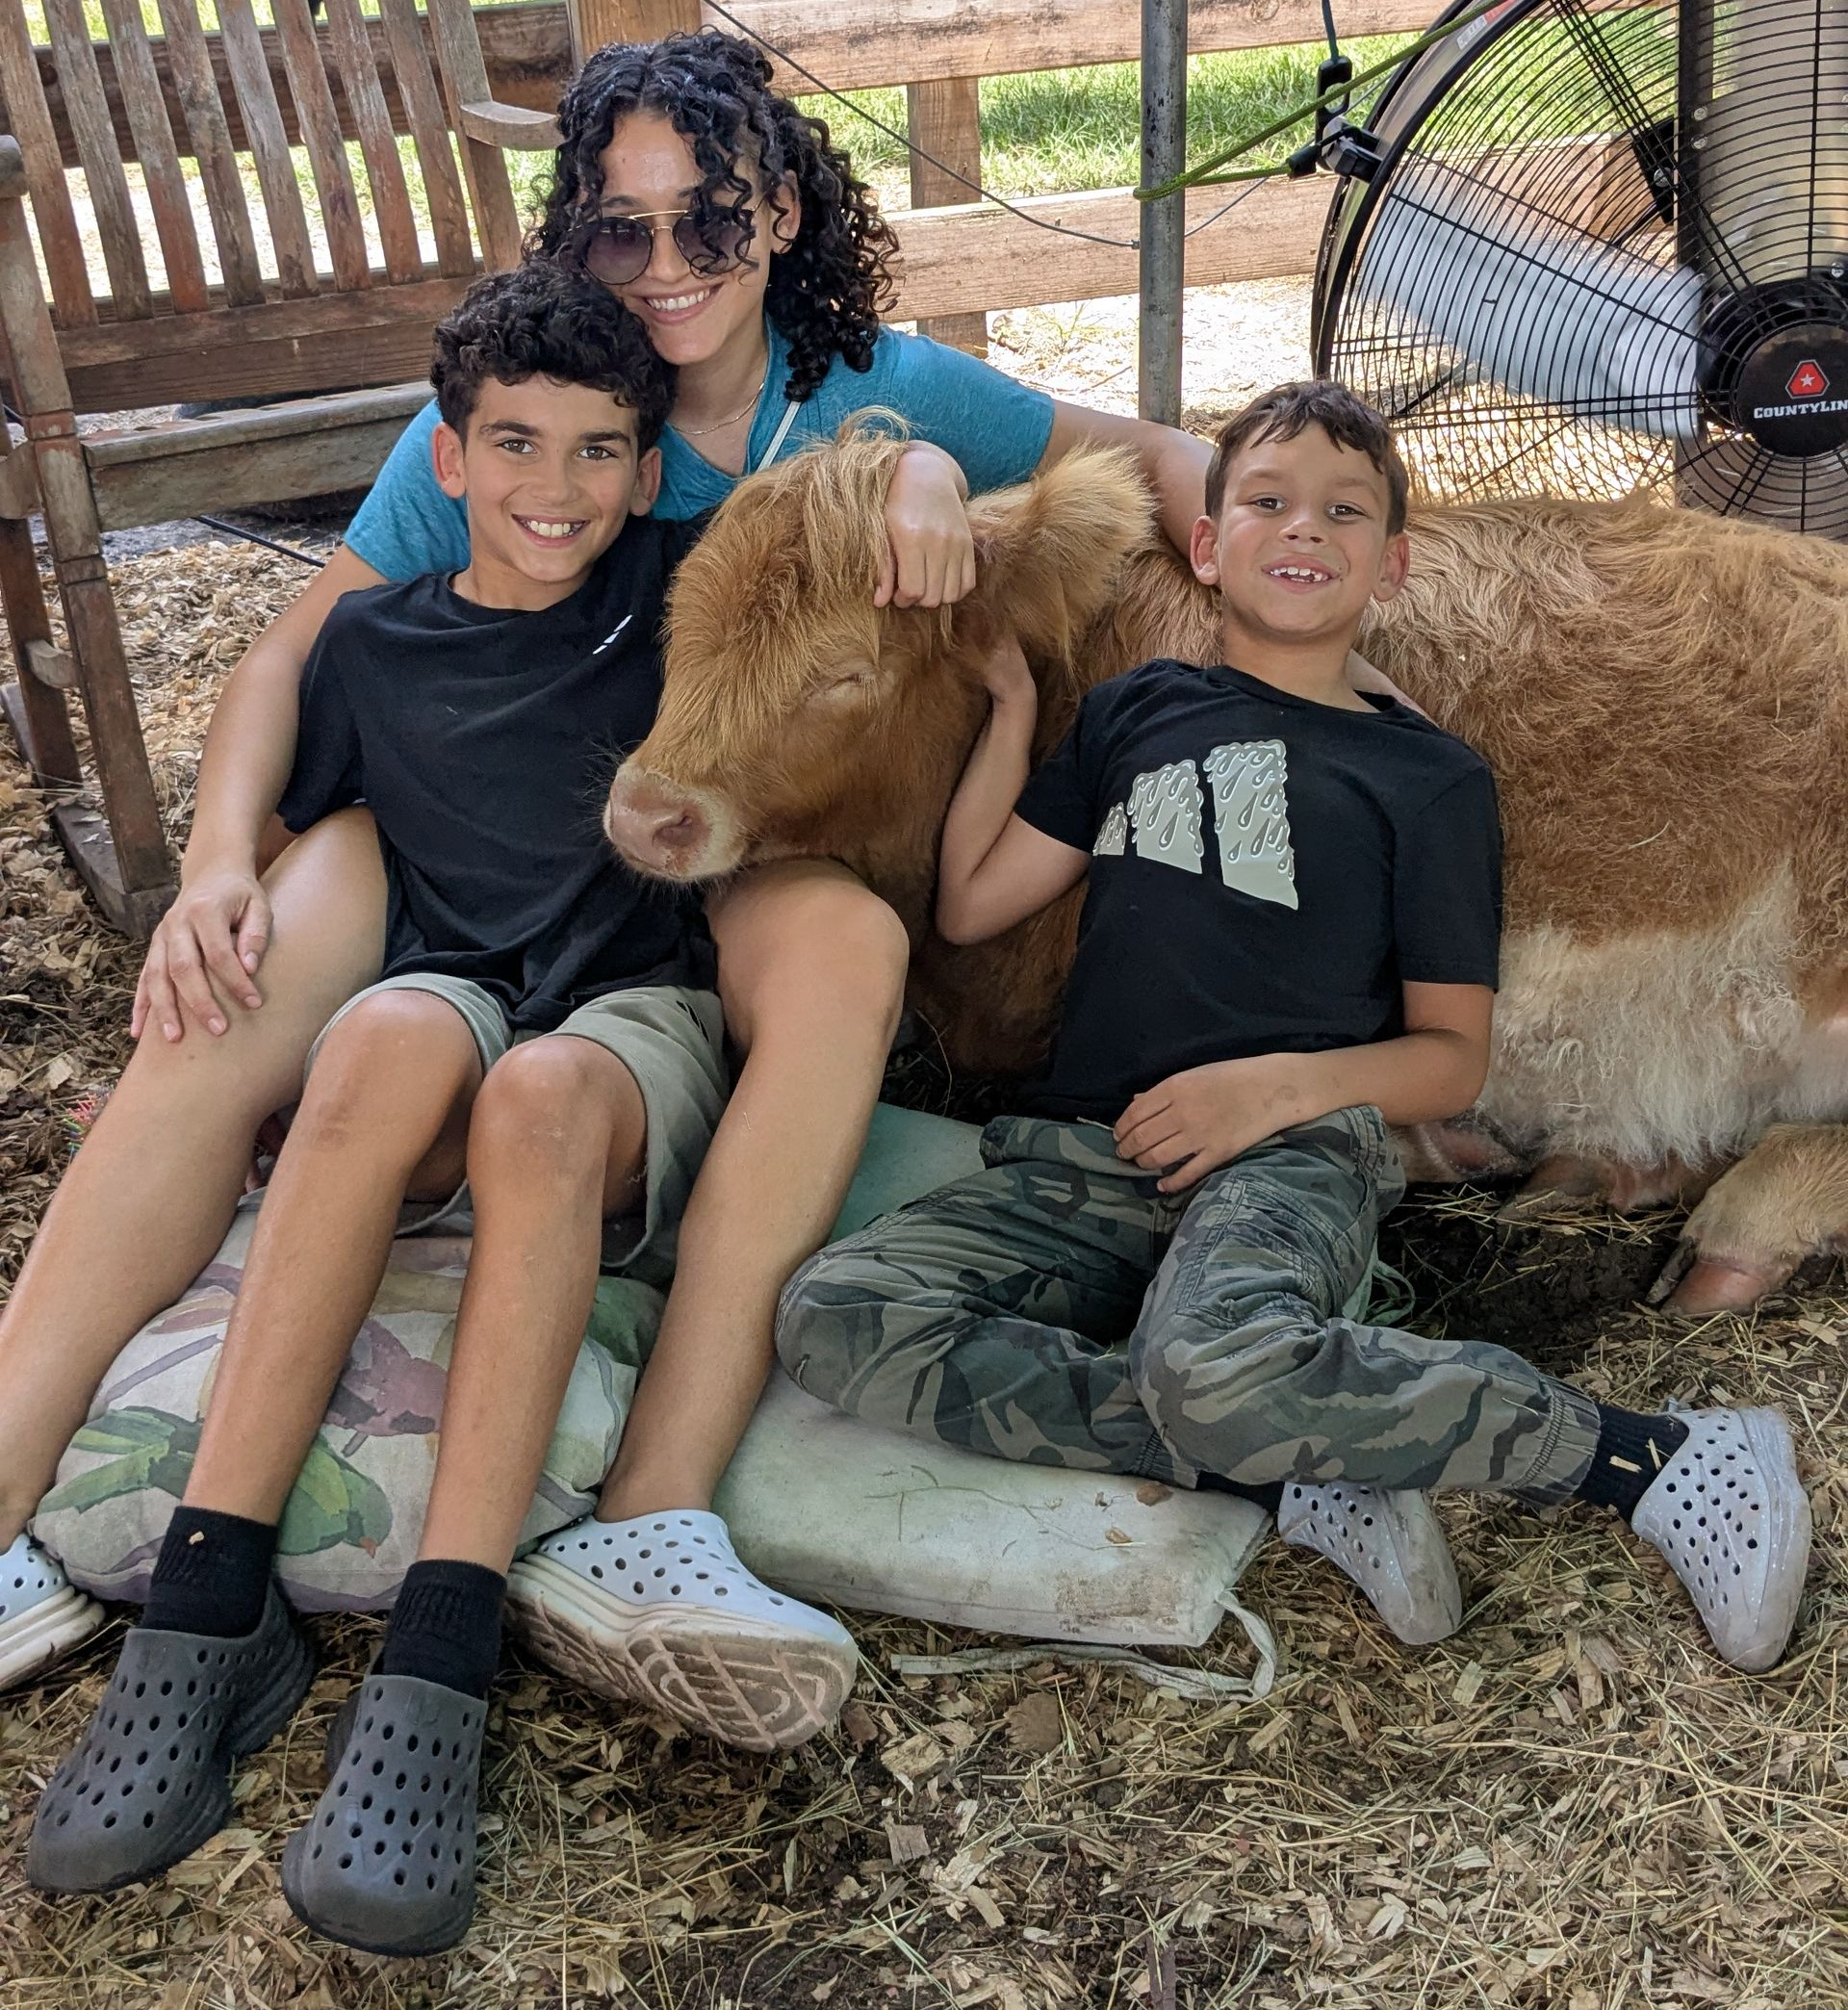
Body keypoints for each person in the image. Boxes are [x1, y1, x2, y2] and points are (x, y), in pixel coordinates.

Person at [0, 29, 1385, 1721]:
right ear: (573, 239)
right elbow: (302, 652)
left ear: (783, 217)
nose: (664, 271)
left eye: (707, 223)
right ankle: (4, 1500)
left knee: (849, 957)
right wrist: (217, 865)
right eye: (619, 228)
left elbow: (1159, 460)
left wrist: (1289, 643)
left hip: (729, 854)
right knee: (220, 992)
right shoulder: (551, 402)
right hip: (494, 824)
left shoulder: (882, 385)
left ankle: (650, 1517)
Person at [23, 266, 857, 1958]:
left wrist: (907, 480)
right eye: (517, 447)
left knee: (541, 1096)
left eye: (601, 451)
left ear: (646, 470)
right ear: (448, 460)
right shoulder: (375, 646)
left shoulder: (680, 593)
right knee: (377, 1050)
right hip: (450, 988)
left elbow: (851, 573)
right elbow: (297, 770)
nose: (558, 490)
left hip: (629, 1017)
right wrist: (221, 874)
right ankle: (206, 1611)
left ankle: (441, 1653)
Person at [774, 381, 1813, 1672]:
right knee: (836, 1313)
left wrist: (1265, 1096)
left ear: (1396, 563)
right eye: (1264, 500)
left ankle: (1654, 1458)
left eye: (1344, 509)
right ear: (1206, 546)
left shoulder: (1429, 777)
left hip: (1283, 1155)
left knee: (1207, 1363)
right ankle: (1305, 1472)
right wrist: (1014, 716)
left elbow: (1453, 1059)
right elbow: (976, 902)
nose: (1301, 527)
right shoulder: (1126, 713)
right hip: (1079, 1157)